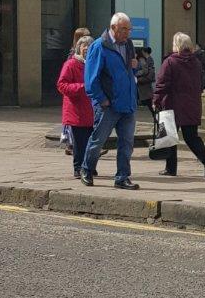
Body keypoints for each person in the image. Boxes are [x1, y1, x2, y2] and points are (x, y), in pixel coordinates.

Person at [81, 12, 140, 188]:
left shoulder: (128, 45)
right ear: (113, 27)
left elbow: (128, 72)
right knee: (98, 140)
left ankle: (122, 177)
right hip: (109, 105)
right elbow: (91, 79)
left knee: (127, 143)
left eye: (129, 29)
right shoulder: (99, 46)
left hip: (127, 103)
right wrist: (102, 100)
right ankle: (87, 169)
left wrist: (135, 68)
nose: (127, 33)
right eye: (124, 29)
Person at [153, 32, 205, 179]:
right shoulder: (196, 62)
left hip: (172, 104)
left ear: (177, 45)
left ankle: (171, 168)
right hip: (192, 105)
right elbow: (201, 84)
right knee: (191, 137)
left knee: (169, 137)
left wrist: (156, 101)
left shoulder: (170, 62)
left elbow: (161, 84)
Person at [55, 29, 94, 178]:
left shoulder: (94, 64)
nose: (87, 49)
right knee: (79, 143)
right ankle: (78, 167)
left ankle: (89, 166)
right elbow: (62, 85)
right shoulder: (71, 64)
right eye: (84, 46)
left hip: (92, 110)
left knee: (91, 142)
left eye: (90, 47)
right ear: (79, 48)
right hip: (76, 111)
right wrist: (82, 87)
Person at [132, 41, 157, 131]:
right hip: (140, 88)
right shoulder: (137, 60)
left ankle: (158, 121)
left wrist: (135, 74)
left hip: (144, 88)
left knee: (150, 105)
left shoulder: (141, 60)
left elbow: (145, 71)